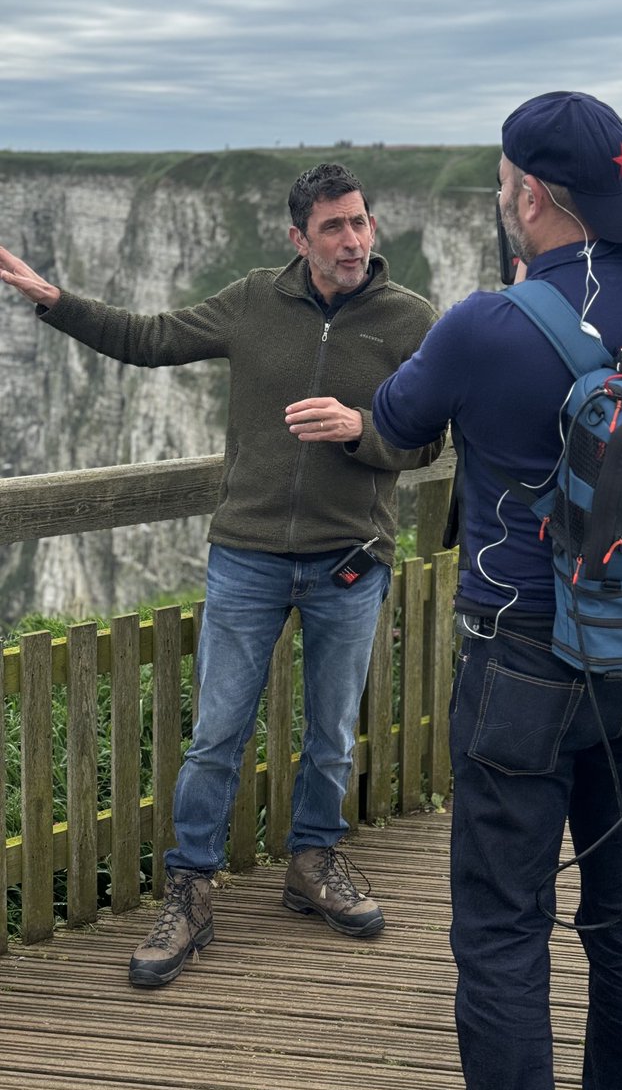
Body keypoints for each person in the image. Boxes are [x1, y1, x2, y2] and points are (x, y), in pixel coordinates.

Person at [371, 93, 622, 1090]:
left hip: (521, 664)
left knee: (503, 928)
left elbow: (396, 417)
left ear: (533, 198)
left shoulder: (490, 324)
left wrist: (500, 323)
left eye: (505, 184)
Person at [0, 163, 443, 989]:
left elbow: (427, 441)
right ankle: (191, 890)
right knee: (216, 737)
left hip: (351, 558)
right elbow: (150, 339)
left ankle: (313, 865)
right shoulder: (251, 300)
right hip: (247, 555)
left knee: (331, 735)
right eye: (334, 228)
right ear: (298, 239)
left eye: (361, 222)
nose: (354, 240)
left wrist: (360, 429)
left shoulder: (411, 320)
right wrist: (53, 301)